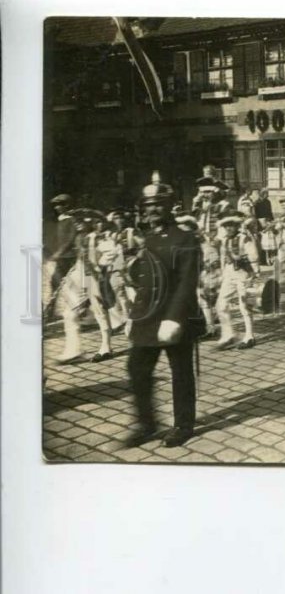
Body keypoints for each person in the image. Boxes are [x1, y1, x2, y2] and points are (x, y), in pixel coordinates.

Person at [124, 178, 204, 448]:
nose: (153, 209)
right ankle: (147, 424)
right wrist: (133, 315)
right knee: (136, 368)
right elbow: (144, 279)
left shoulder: (185, 237)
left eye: (159, 204)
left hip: (176, 317)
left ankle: (183, 425)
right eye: (149, 205)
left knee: (180, 372)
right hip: (147, 317)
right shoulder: (148, 237)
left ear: (171, 206)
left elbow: (186, 282)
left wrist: (173, 318)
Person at [53, 210, 115, 364]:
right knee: (69, 313)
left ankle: (106, 346)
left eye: (81, 220)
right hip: (81, 276)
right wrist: (72, 274)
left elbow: (110, 254)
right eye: (75, 220)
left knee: (100, 311)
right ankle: (74, 350)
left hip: (95, 277)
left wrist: (100, 267)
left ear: (90, 221)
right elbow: (81, 259)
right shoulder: (81, 237)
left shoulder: (99, 238)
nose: (77, 223)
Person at [215, 211, 260, 350]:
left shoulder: (244, 238)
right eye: (226, 225)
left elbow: (254, 257)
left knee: (244, 306)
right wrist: (222, 273)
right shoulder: (225, 239)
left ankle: (249, 336)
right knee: (221, 304)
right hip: (229, 274)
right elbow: (223, 258)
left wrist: (253, 275)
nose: (228, 228)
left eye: (231, 225)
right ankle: (228, 334)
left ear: (237, 225)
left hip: (243, 273)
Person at [47, 194, 78, 307]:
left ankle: (77, 308)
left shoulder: (72, 220)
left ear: (66, 205)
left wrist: (60, 252)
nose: (56, 208)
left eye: (58, 205)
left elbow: (71, 238)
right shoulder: (61, 220)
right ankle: (50, 308)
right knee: (55, 281)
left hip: (70, 256)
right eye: (55, 205)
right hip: (62, 257)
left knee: (72, 283)